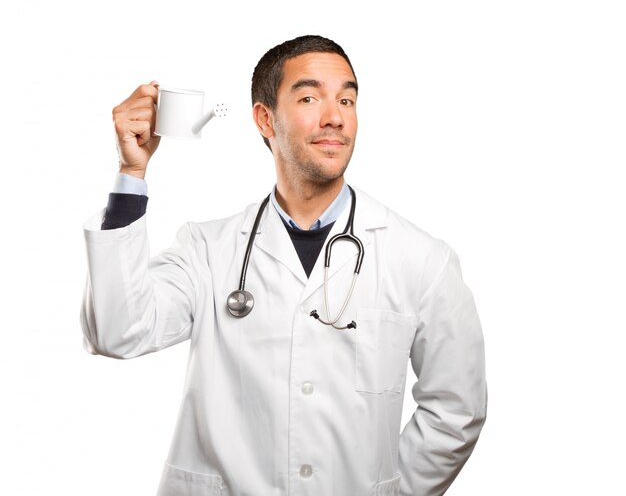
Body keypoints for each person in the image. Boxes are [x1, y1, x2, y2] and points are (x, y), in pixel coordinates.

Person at [81, 35, 487, 496]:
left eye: (347, 99)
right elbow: (117, 331)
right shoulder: (207, 250)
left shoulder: (422, 259)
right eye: (310, 97)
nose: (335, 116)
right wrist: (130, 174)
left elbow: (455, 410)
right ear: (264, 118)